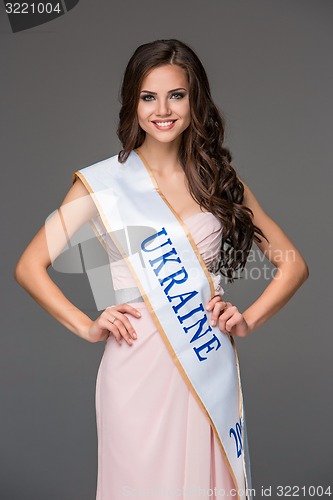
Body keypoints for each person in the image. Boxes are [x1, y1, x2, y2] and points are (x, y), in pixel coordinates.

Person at [14, 39, 308, 500]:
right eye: (148, 97)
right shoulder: (103, 184)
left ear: (196, 100)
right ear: (133, 102)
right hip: (133, 372)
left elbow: (293, 265)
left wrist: (248, 319)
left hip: (204, 362)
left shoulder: (221, 184)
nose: (163, 110)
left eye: (177, 95)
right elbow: (30, 266)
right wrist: (88, 325)